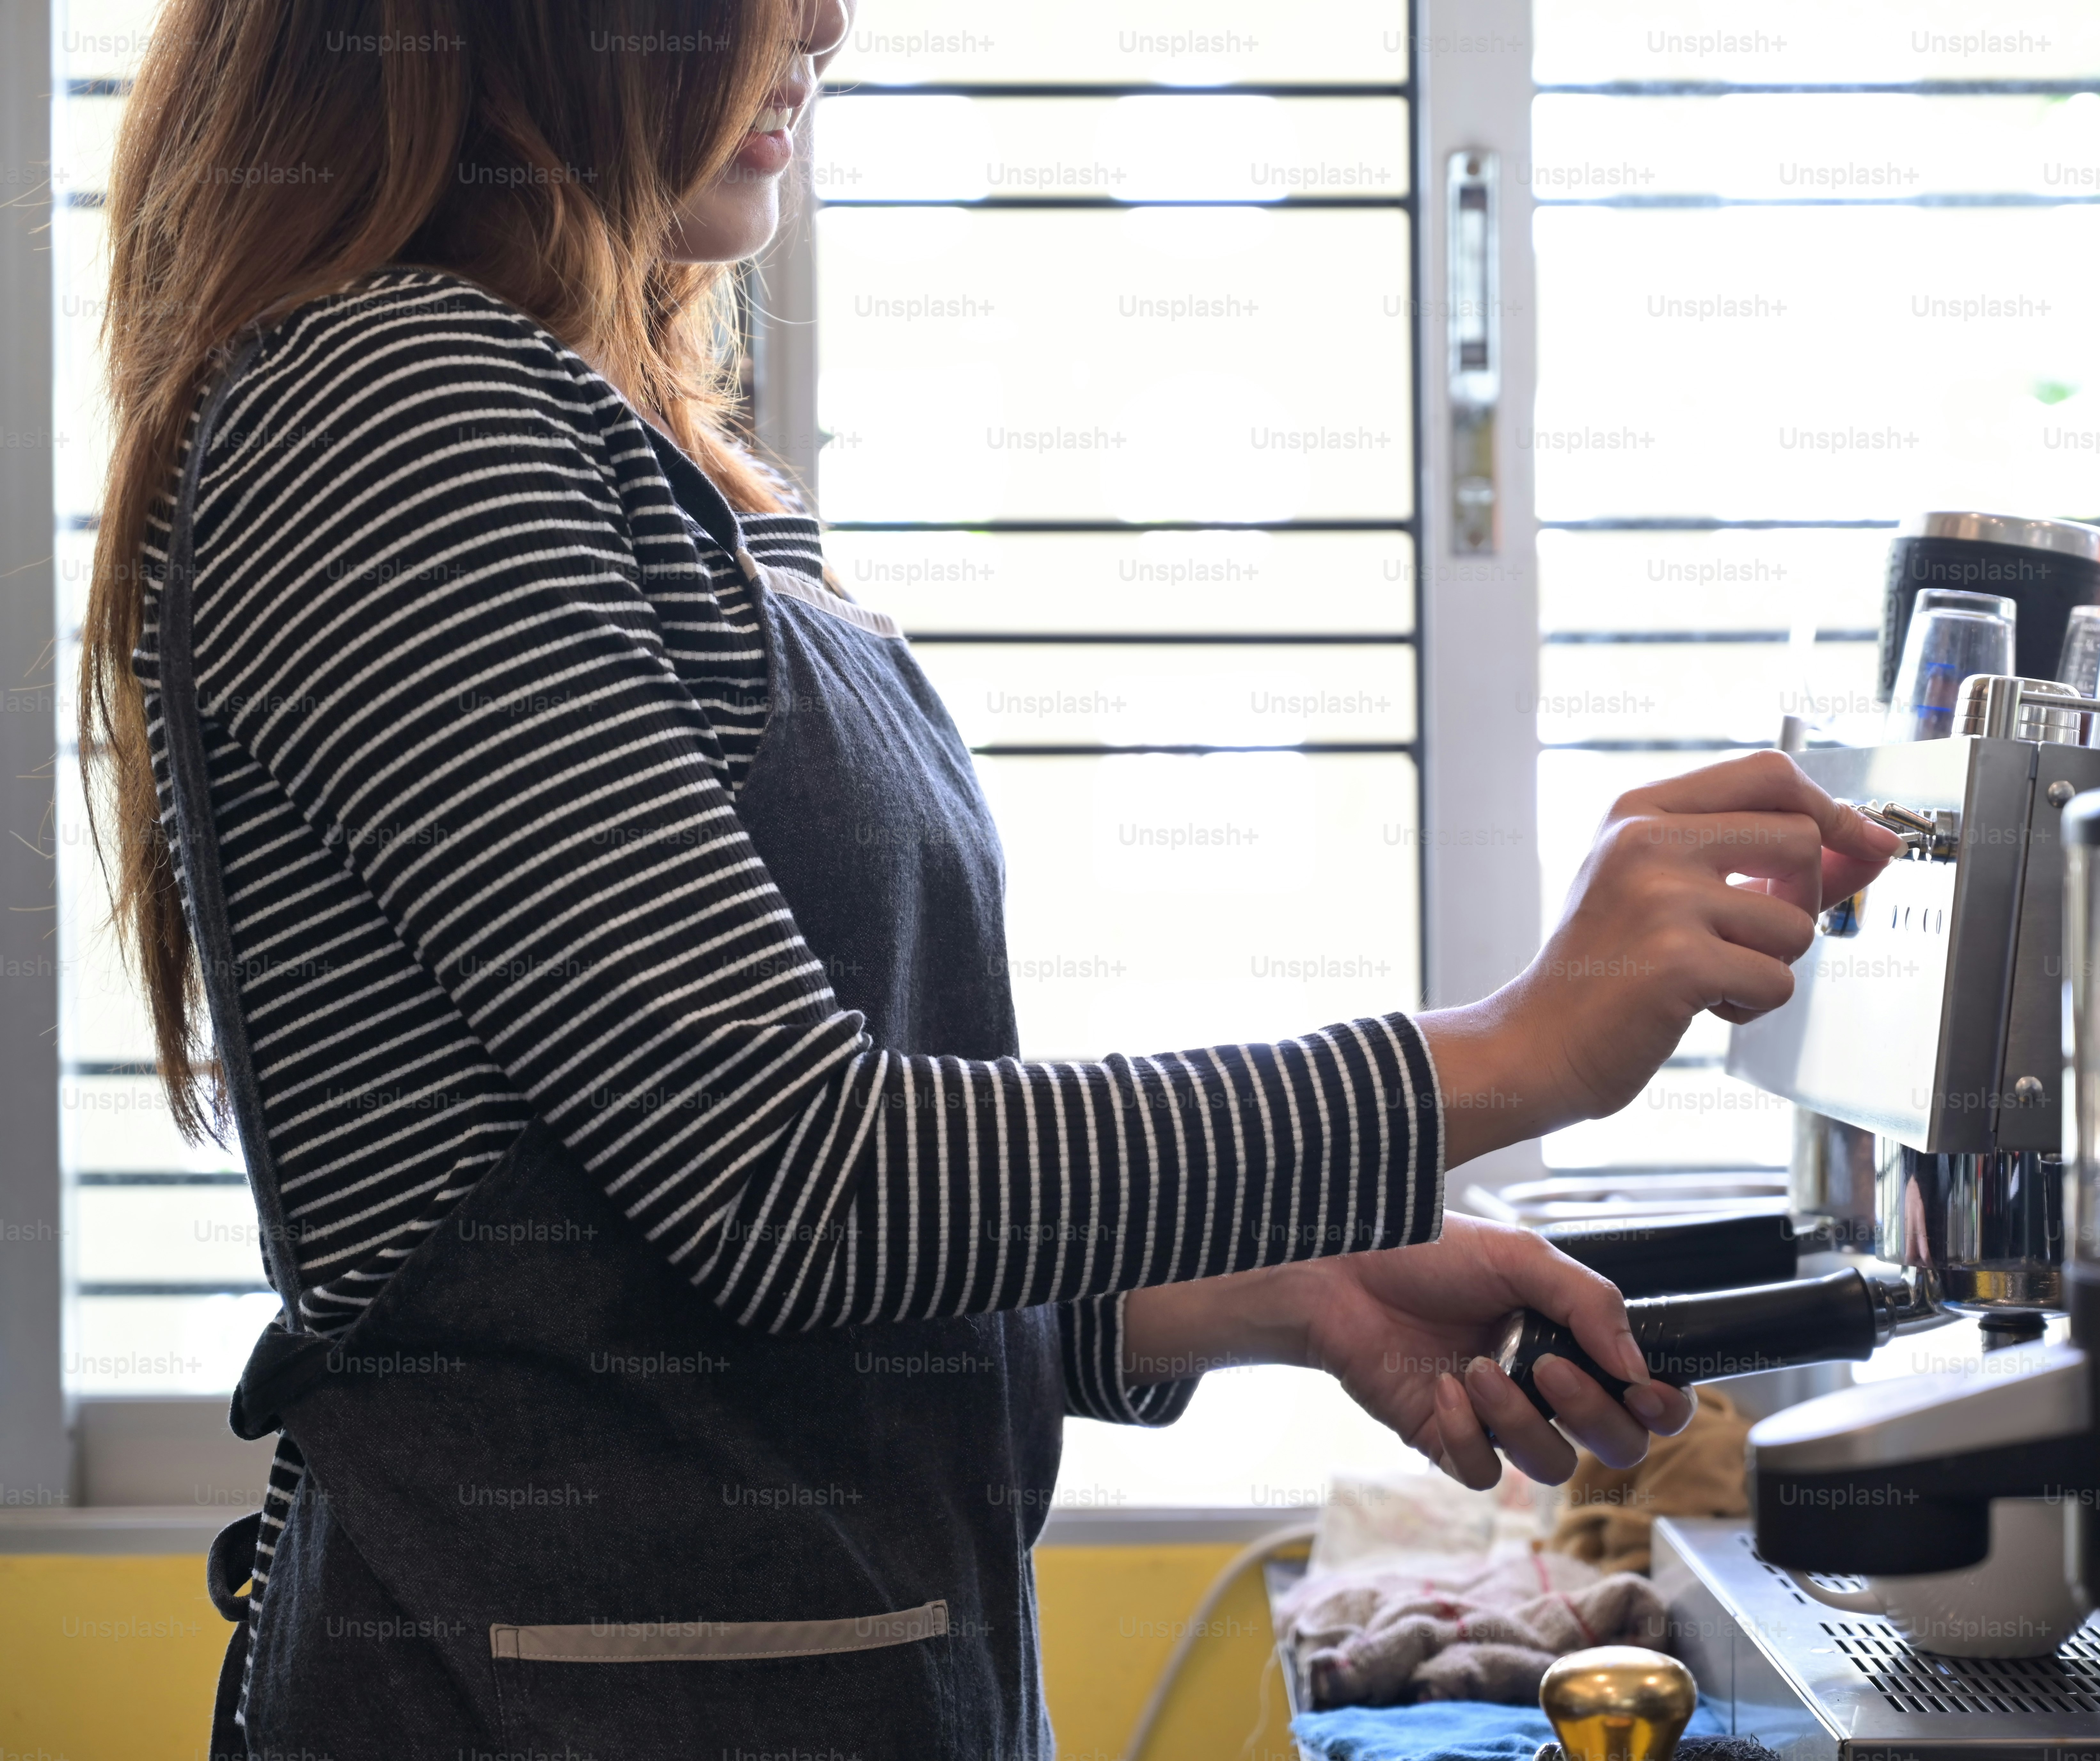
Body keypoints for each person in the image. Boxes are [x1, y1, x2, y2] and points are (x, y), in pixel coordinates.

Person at [78, 1, 1900, 1753]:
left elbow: (713, 1268)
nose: (829, 22)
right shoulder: (391, 412)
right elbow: (795, 1178)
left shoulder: (638, 459)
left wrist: (1281, 1286)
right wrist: (1508, 1050)